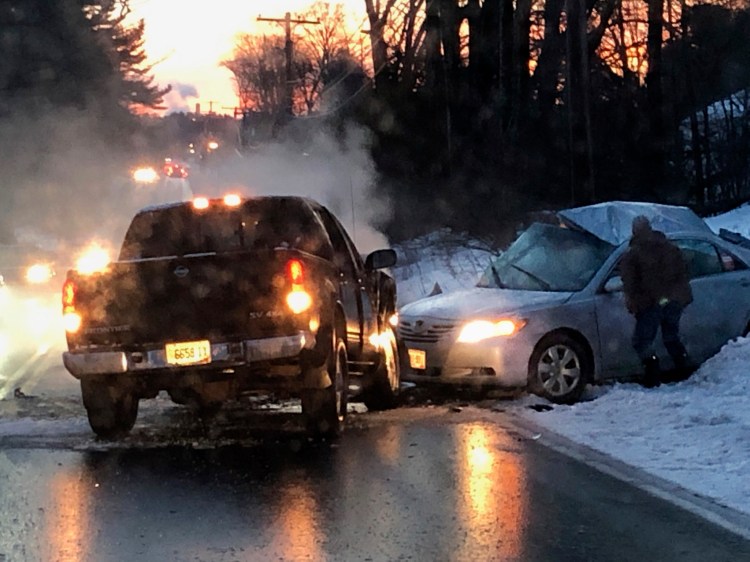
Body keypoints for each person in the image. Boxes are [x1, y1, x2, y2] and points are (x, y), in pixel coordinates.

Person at [620, 215, 693, 387]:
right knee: (670, 336)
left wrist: (633, 301)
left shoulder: (634, 253)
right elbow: (683, 271)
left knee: (642, 341)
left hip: (651, 302)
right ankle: (683, 368)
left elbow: (629, 281)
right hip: (673, 299)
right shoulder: (668, 246)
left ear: (634, 231)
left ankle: (652, 373)